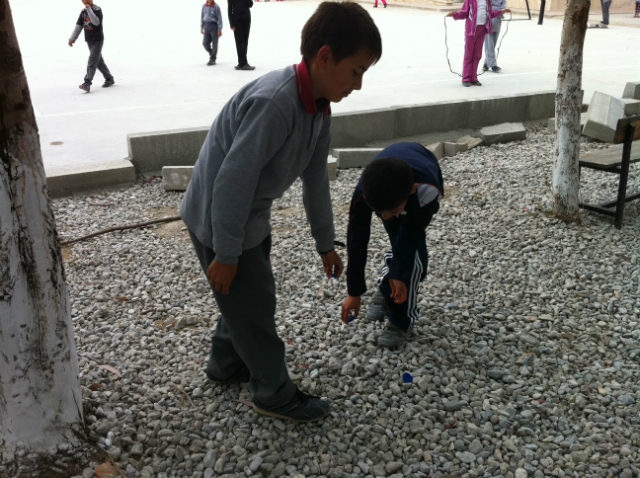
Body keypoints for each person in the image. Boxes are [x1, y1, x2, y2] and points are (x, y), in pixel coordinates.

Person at [181, 2, 382, 422]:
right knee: (255, 307)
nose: (358, 85)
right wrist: (227, 254)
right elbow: (231, 182)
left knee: (245, 299)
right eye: (356, 71)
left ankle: (225, 364)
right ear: (324, 57)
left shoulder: (319, 106)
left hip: (249, 215)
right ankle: (273, 392)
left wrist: (326, 244)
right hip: (218, 218)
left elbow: (315, 181)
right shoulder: (276, 103)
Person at [341, 143, 444, 348]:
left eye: (390, 210)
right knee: (403, 258)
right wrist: (354, 291)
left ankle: (400, 321)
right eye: (379, 212)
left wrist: (399, 273)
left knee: (414, 265)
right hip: (393, 194)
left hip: (418, 188)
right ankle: (388, 290)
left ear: (411, 191)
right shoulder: (365, 192)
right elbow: (356, 239)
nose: (385, 218)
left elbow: (410, 236)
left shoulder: (428, 191)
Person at [447, 0, 510, 86]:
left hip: (482, 29)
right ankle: (466, 78)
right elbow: (464, 13)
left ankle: (473, 78)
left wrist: (500, 11)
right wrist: (454, 14)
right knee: (469, 54)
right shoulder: (470, 1)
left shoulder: (487, 1)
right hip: (472, 30)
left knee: (477, 55)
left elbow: (489, 13)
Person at [68, 0, 114, 93]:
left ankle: (87, 82)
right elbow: (78, 26)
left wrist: (89, 9)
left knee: (92, 61)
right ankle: (109, 78)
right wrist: (73, 38)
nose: (85, 1)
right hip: (89, 40)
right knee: (98, 61)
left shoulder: (97, 10)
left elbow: (96, 22)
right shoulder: (83, 12)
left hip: (97, 40)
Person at [228, 0, 255, 70]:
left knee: (245, 42)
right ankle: (243, 63)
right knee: (239, 43)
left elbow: (250, 4)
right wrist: (232, 24)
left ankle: (241, 63)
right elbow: (229, 10)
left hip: (246, 20)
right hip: (237, 22)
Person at [482, 0, 506, 72]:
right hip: (488, 22)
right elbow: (485, 8)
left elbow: (503, 9)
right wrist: (498, 9)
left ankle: (486, 64)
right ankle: (493, 65)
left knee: (493, 44)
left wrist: (495, 9)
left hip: (497, 22)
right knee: (489, 45)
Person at [202, 0, 223, 66]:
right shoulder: (204, 6)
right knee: (205, 43)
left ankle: (212, 59)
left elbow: (219, 18)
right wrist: (202, 26)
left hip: (214, 26)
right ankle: (212, 52)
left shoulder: (216, 7)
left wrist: (219, 29)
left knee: (214, 43)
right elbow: (202, 17)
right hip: (206, 26)